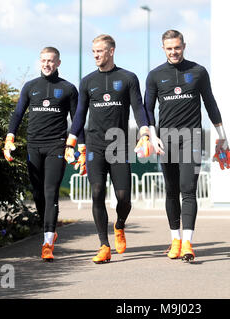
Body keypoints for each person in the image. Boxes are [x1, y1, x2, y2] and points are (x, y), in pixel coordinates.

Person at [144, 30, 230, 262]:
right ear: (163, 48)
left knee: (188, 188)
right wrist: (152, 135)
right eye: (169, 48)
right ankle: (175, 239)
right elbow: (147, 108)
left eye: (177, 47)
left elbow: (210, 103)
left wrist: (222, 136)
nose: (174, 52)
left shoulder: (198, 72)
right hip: (165, 140)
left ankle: (187, 243)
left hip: (192, 138)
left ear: (184, 46)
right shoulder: (155, 75)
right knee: (171, 190)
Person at [65, 34, 152, 264]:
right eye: (93, 51)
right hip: (94, 144)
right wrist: (71, 141)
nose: (95, 55)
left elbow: (138, 108)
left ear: (111, 51)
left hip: (119, 143)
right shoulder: (87, 81)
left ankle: (120, 225)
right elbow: (79, 115)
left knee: (123, 197)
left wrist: (144, 131)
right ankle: (104, 245)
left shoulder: (128, 78)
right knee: (96, 193)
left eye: (100, 51)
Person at [3, 47, 82, 262]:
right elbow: (18, 112)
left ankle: (48, 242)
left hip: (57, 146)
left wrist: (79, 147)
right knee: (38, 194)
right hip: (33, 147)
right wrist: (10, 137)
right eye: (44, 60)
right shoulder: (30, 87)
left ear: (58, 63)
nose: (47, 64)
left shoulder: (68, 88)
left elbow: (77, 121)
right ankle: (48, 229)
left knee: (50, 193)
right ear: (40, 62)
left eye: (51, 61)